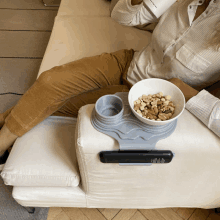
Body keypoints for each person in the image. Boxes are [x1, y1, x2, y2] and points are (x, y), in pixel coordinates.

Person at [0, 0, 219, 170]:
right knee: (50, 82)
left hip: (150, 101)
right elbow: (121, 16)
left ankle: (6, 124)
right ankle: (2, 141)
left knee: (62, 104)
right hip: (129, 63)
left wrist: (188, 92)